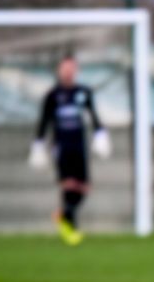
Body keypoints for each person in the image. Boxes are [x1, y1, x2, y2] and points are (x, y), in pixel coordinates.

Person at [29, 54, 110, 245]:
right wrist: (38, 144)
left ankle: (63, 214)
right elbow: (44, 120)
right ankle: (71, 229)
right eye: (65, 67)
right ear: (59, 70)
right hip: (61, 146)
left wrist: (101, 134)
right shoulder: (52, 95)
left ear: (76, 70)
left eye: (71, 67)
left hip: (79, 144)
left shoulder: (83, 92)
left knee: (84, 187)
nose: (68, 71)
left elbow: (94, 115)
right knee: (68, 184)